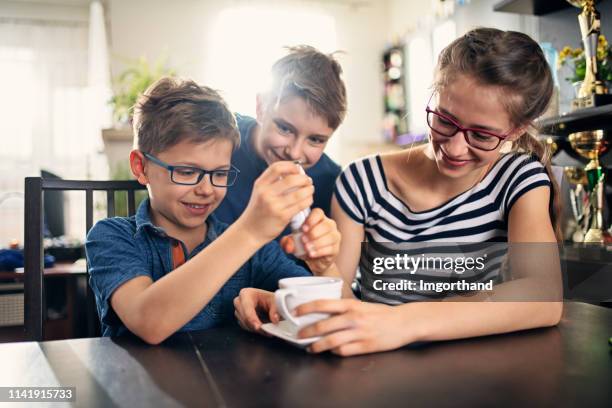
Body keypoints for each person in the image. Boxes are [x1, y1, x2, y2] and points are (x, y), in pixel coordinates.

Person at [234, 28, 563, 356]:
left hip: (477, 366)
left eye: (481, 135)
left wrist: (403, 323)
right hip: (378, 368)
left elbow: (543, 295)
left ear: (516, 129)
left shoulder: (520, 177)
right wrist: (301, 287)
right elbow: (342, 304)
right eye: (445, 120)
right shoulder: (361, 180)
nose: (455, 147)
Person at [85, 77, 341, 344]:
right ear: (141, 167)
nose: (206, 189)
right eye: (186, 171)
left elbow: (335, 316)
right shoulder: (111, 236)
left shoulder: (253, 252)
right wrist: (251, 230)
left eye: (220, 174)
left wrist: (324, 266)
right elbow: (149, 321)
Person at [215, 45, 347, 241]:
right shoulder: (217, 138)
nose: (294, 153)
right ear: (260, 107)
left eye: (315, 140)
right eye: (285, 129)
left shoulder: (332, 184)